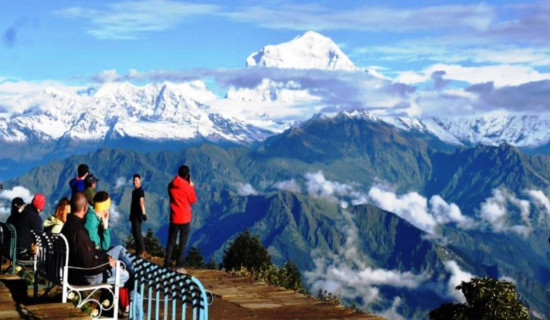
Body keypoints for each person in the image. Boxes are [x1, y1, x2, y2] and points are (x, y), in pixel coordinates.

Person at [61, 193, 142, 319]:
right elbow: (89, 261)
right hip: (86, 275)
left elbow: (93, 251)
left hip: (76, 269)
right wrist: (107, 263)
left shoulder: (68, 226)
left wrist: (105, 227)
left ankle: (109, 303)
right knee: (127, 276)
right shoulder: (80, 231)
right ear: (85, 208)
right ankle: (136, 315)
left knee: (120, 251)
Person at [164, 165, 197, 273]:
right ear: (187, 175)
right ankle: (179, 265)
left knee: (171, 241)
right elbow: (192, 199)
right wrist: (191, 185)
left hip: (174, 217)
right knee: (183, 242)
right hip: (185, 218)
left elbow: (170, 192)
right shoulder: (187, 187)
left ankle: (167, 263)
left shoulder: (171, 185)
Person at [7, 193, 45, 259]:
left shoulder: (14, 215)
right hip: (23, 253)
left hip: (9, 251)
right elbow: (39, 238)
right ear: (41, 208)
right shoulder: (35, 217)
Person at [130, 174, 148, 258]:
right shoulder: (134, 191)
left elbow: (142, 202)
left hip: (138, 215)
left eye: (136, 180)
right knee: (134, 233)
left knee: (138, 233)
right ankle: (138, 251)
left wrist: (144, 214)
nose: (134, 182)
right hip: (133, 215)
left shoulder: (140, 191)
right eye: (134, 180)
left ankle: (142, 251)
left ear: (140, 181)